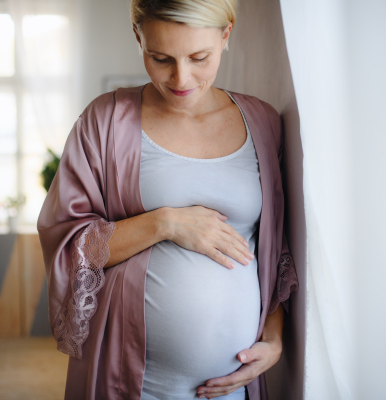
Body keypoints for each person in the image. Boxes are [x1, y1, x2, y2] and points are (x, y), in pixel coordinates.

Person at [37, 0, 299, 399]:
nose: (181, 78)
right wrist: (165, 223)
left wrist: (275, 340)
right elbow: (71, 247)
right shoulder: (104, 122)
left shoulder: (263, 123)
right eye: (160, 58)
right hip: (132, 383)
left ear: (226, 35)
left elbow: (272, 248)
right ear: (138, 38)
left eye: (199, 57)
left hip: (234, 387)